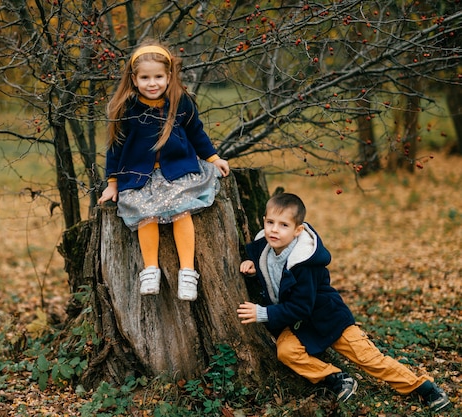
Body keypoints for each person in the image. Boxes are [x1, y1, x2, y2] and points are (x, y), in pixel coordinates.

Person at [236, 192, 450, 411]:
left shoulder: (304, 263)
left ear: (297, 230)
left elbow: (301, 305)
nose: (274, 230)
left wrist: (264, 313)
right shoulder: (265, 251)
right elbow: (273, 276)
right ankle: (336, 378)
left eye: (283, 225)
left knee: (368, 358)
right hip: (300, 324)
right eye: (270, 222)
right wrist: (254, 269)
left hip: (329, 318)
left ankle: (425, 388)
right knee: (286, 352)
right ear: (263, 220)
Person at [97, 40, 230, 301]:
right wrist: (112, 182)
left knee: (182, 211)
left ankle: (188, 271)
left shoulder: (180, 102)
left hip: (177, 171)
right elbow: (115, 147)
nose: (152, 83)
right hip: (139, 176)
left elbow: (196, 132)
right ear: (134, 79)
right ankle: (150, 268)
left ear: (168, 76)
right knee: (146, 214)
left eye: (158, 76)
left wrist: (213, 157)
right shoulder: (127, 107)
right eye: (145, 77)